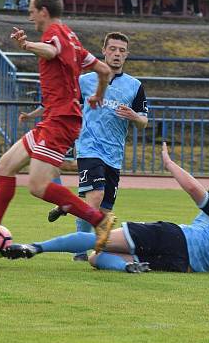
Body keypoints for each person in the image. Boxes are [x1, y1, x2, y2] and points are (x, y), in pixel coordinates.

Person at [0, 0, 116, 251]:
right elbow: (104, 69)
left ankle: (99, 220)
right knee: (6, 165)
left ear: (43, 11)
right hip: (55, 117)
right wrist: (97, 96)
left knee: (38, 186)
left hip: (61, 119)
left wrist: (27, 45)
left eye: (31, 11)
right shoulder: (72, 39)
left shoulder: (54, 34)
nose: (30, 17)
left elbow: (51, 52)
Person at [2, 142, 209, 275]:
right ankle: (126, 268)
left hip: (175, 237)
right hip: (181, 265)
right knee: (95, 259)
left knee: (99, 240)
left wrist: (170, 164)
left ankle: (35, 247)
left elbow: (195, 190)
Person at [46, 32, 149, 261]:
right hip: (88, 147)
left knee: (103, 210)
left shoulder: (135, 86)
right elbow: (67, 107)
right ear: (104, 51)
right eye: (112, 49)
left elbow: (144, 122)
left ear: (127, 55)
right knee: (95, 196)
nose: (117, 54)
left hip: (114, 155)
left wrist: (133, 116)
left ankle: (67, 206)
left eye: (122, 51)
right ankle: (80, 252)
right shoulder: (85, 81)